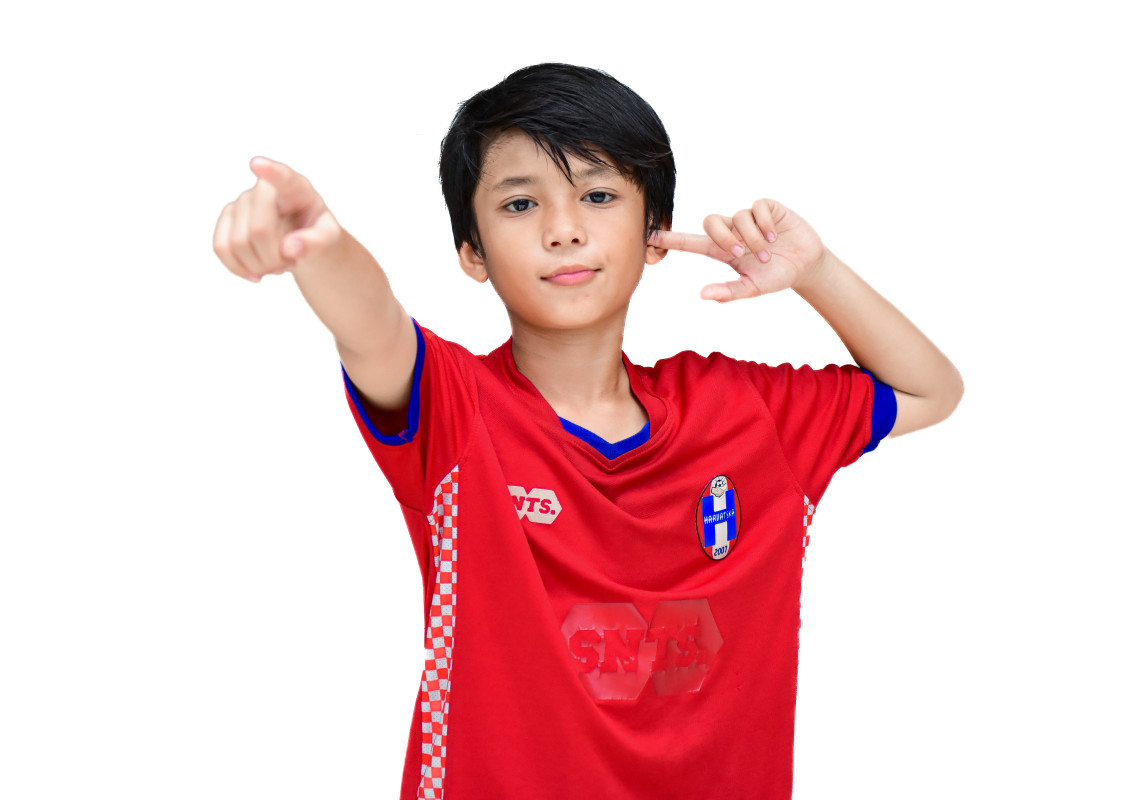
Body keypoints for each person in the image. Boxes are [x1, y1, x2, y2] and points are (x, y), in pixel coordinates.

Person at [213, 63, 962, 799]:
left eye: (598, 195)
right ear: (472, 252)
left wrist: (815, 271)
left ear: (654, 235)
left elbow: (929, 389)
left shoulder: (744, 414)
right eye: (519, 204)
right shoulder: (455, 411)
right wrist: (318, 245)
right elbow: (373, 326)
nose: (564, 230)